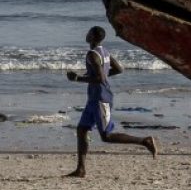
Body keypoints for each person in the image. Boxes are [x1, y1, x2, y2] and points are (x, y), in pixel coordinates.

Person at [66, 26, 158, 177]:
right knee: (82, 130)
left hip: (101, 98)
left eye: (89, 32)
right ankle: (80, 169)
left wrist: (77, 78)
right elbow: (119, 69)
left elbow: (100, 78)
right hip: (93, 99)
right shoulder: (105, 51)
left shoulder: (92, 55)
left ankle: (145, 141)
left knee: (106, 136)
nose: (86, 34)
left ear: (93, 37)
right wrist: (99, 76)